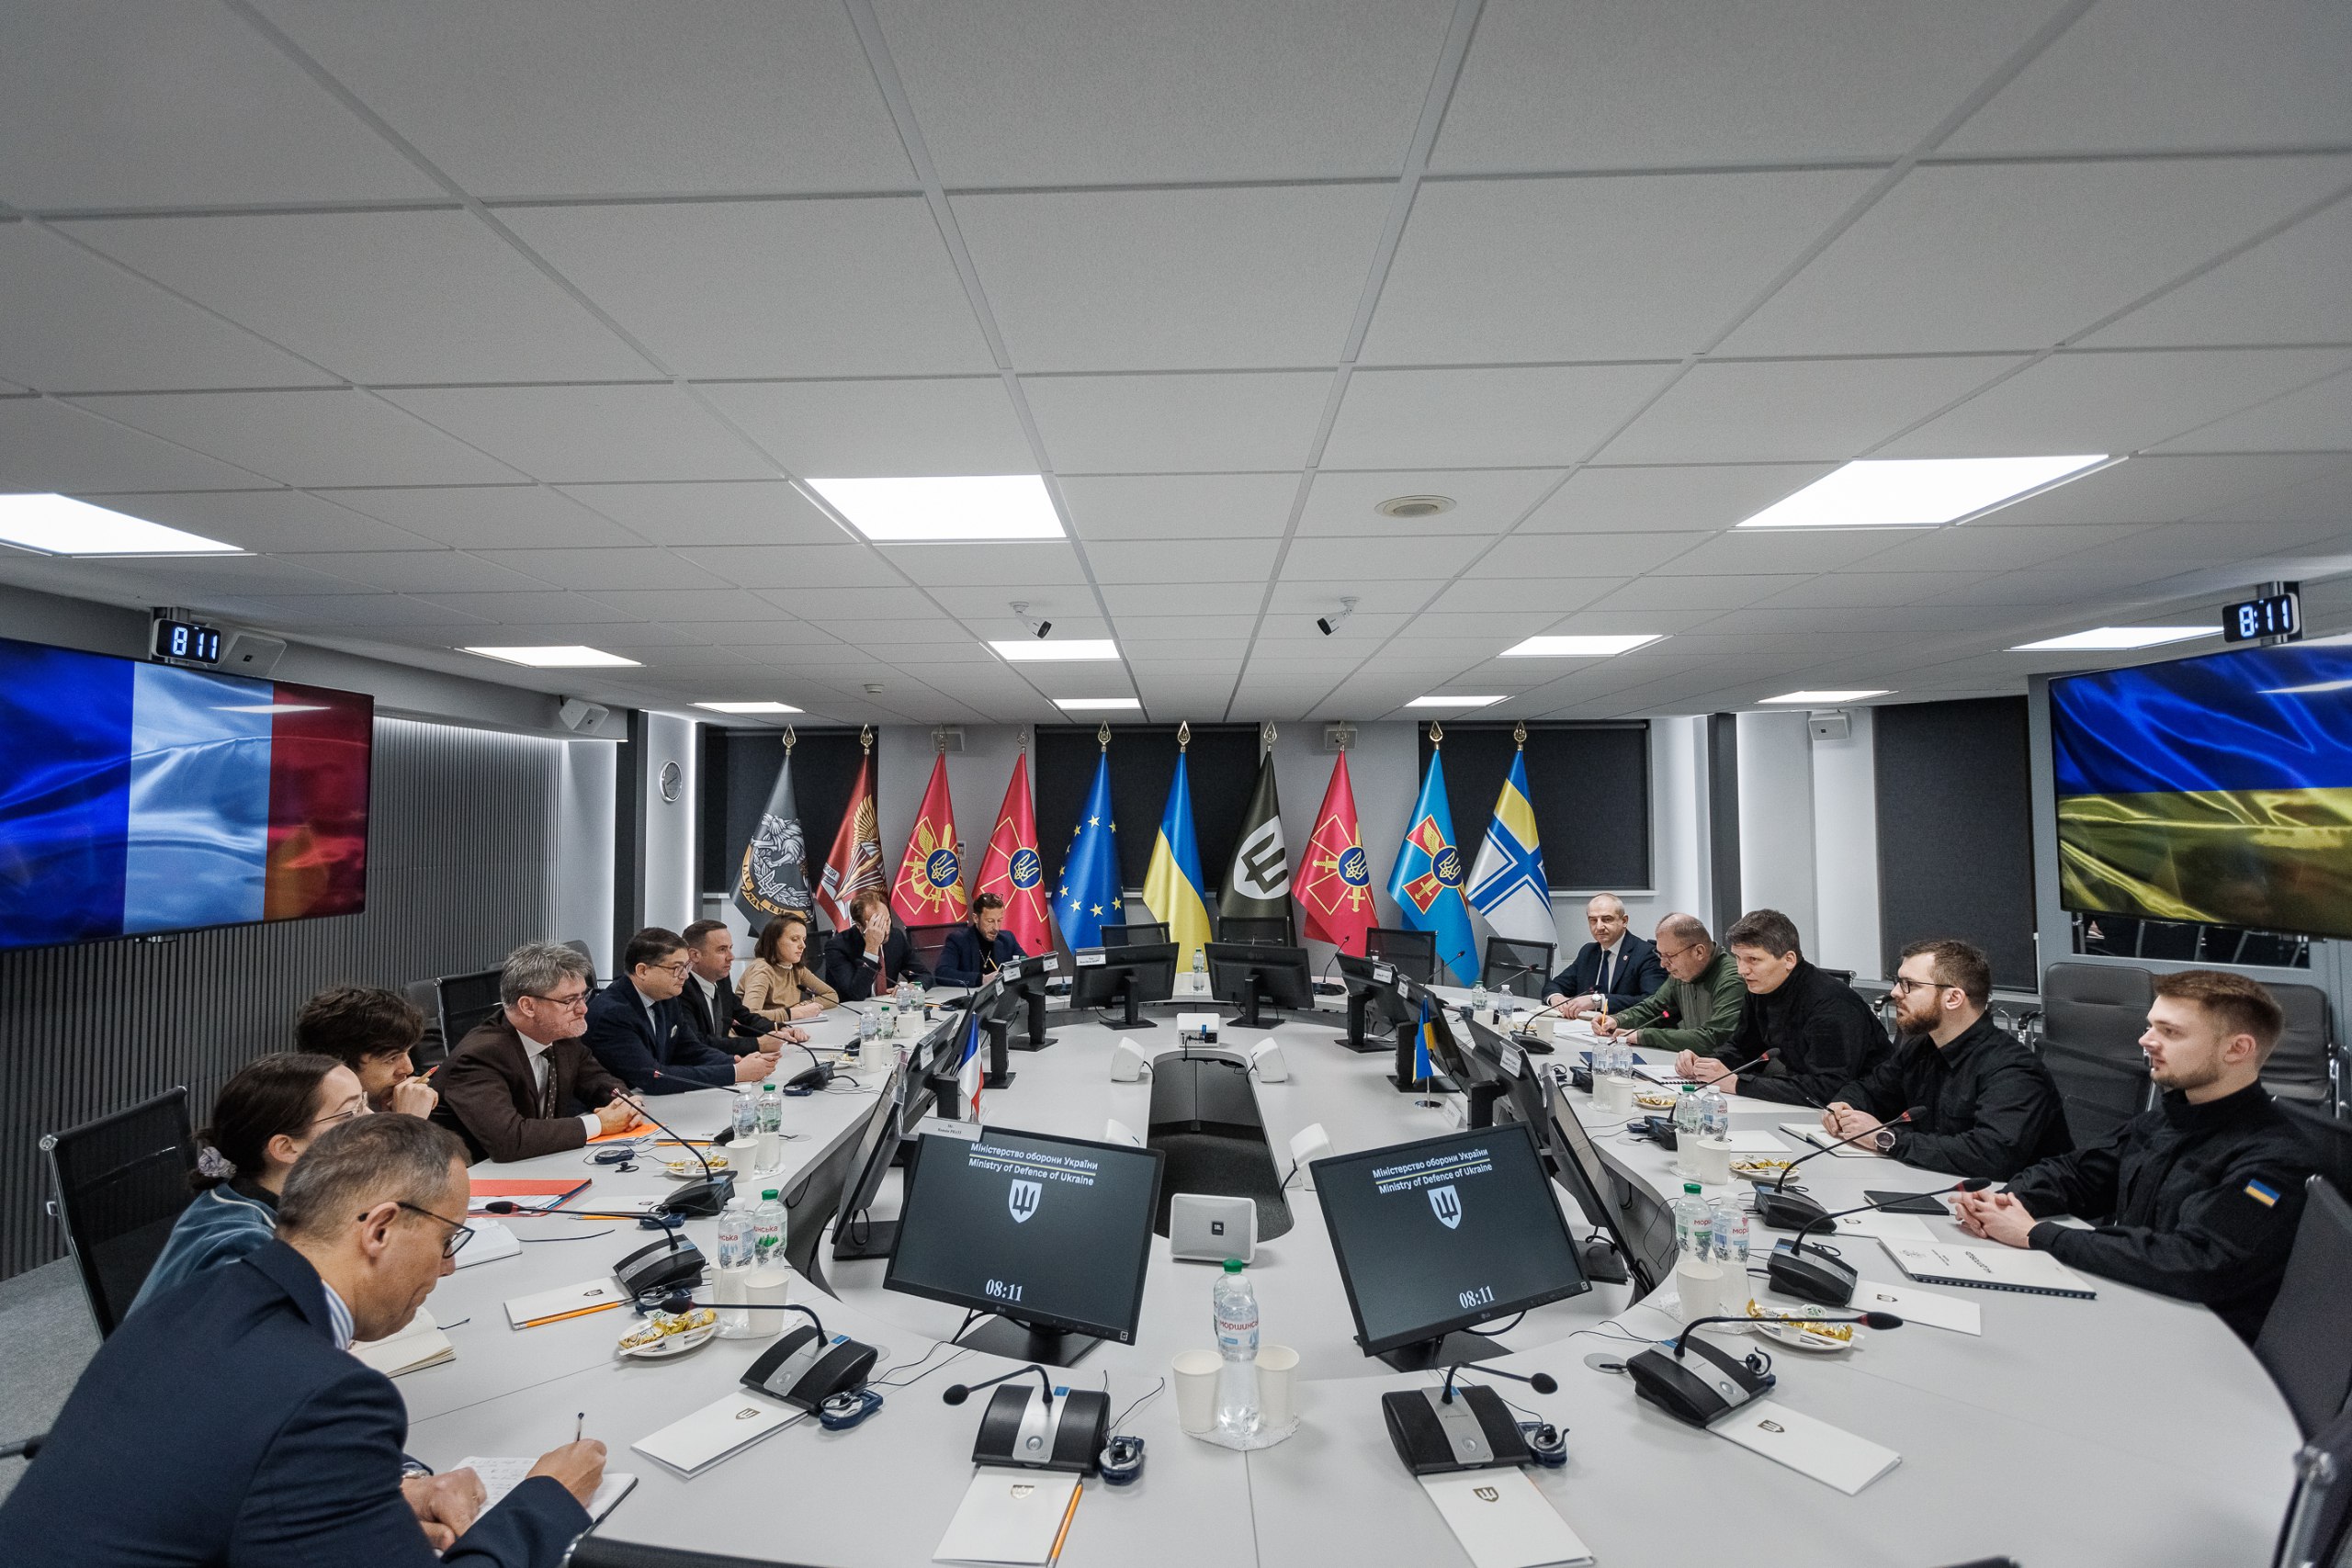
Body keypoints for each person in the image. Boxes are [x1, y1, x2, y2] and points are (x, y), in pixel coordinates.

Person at [0, 1115, 604, 1565]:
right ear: (381, 1228)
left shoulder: (187, 1301)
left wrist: (380, 1499)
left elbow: (222, 1482)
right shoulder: (329, 1396)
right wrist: (547, 1498)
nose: (447, 1267)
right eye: (447, 1240)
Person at [1954, 969, 2316, 1342]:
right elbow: (2078, 1175)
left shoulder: (2275, 1159)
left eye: (2170, 1032)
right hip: (2132, 1304)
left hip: (2198, 1342)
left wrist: (2037, 1234)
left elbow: (2196, 1262)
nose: (2145, 1040)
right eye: (2150, 1026)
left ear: (2237, 1049)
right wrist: (2005, 1203)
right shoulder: (2168, 1118)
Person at [129, 1054, 367, 1317]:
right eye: (351, 1113)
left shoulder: (259, 1196)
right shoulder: (246, 1255)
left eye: (364, 1103)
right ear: (286, 1148)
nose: (372, 1118)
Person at [1820, 939, 2071, 1179]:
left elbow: (1990, 1154)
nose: (1895, 993)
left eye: (1909, 984)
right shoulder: (1922, 1047)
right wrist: (1843, 1106)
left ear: (1953, 998)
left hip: (2009, 1201)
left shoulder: (2013, 1069)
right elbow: (1870, 1090)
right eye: (1898, 982)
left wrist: (1884, 1139)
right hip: (1933, 1182)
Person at [431, 941, 645, 1163]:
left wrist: (627, 1105)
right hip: (476, 1175)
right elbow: (509, 1140)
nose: (583, 1009)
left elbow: (600, 1082)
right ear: (528, 1006)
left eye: (583, 996)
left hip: (540, 1163)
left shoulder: (560, 1035)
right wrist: (599, 1124)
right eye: (569, 1000)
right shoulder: (479, 1057)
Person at [1679, 908, 1888, 1104]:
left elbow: (1828, 1087)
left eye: (1753, 959)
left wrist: (1738, 1084)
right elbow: (1743, 1049)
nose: (1742, 970)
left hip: (1865, 1108)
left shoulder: (1831, 1005)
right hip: (1808, 1100)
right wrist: (1706, 1065)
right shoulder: (1762, 988)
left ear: (1789, 960)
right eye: (1738, 958)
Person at [583, 926, 775, 1094]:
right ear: (642, 971)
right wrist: (734, 1073)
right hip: (616, 1107)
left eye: (686, 967)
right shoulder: (613, 1014)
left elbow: (689, 1048)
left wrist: (732, 1061)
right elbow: (653, 1077)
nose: (685, 975)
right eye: (676, 968)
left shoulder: (666, 997)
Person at [1592, 913, 1744, 1058]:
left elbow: (1715, 1039)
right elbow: (1653, 1008)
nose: (1663, 964)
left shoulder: (1732, 979)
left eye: (1669, 956)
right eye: (1660, 955)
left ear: (1699, 952)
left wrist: (1644, 1036)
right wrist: (1617, 1020)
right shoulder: (1682, 974)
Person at [294, 985, 438, 1117]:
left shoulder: (374, 1106)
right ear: (341, 1063)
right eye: (392, 1058)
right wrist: (408, 1120)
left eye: (408, 1052)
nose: (408, 1069)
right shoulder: (314, 1124)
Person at [675, 919, 799, 1056]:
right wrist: (758, 1044)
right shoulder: (680, 990)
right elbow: (697, 1044)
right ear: (694, 955)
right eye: (722, 950)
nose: (731, 957)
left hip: (721, 1061)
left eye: (730, 948)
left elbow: (742, 1017)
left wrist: (779, 1028)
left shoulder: (721, 979)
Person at [1544, 894, 1668, 1019]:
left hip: (1623, 1026)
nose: (1599, 927)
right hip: (1583, 1025)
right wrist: (1556, 997)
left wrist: (1599, 1001)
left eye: (1607, 919)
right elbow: (1554, 985)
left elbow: (1653, 1002)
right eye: (1593, 920)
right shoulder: (1588, 952)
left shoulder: (1646, 954)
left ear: (1624, 921)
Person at [822, 890, 928, 1002]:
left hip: (888, 1006)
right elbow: (856, 994)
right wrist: (872, 947)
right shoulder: (837, 946)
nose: (886, 930)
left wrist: (913, 986)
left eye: (887, 921)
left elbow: (925, 975)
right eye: (877, 925)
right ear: (859, 926)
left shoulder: (896, 937)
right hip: (852, 1010)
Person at [740, 912, 840, 1026]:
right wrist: (793, 1013)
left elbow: (832, 995)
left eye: (804, 939)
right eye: (794, 939)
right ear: (774, 941)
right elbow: (749, 1016)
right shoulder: (761, 970)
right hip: (758, 1034)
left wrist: (803, 1006)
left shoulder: (796, 968)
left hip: (786, 1028)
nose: (803, 946)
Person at [935, 893, 1023, 987]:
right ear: (976, 918)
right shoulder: (958, 940)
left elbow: (1027, 965)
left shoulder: (1007, 939)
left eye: (999, 920)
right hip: (972, 994)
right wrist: (981, 979)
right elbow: (942, 973)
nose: (996, 928)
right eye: (990, 921)